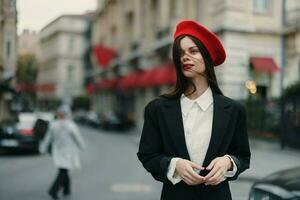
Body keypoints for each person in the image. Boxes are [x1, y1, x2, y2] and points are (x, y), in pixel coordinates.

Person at [137, 20, 251, 200]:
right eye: (180, 53)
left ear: (207, 56)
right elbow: (147, 155)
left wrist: (228, 162)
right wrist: (174, 165)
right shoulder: (157, 109)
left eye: (193, 51)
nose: (185, 57)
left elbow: (243, 156)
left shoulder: (234, 110)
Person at [39, 105, 85, 200]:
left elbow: (48, 138)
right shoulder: (70, 125)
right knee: (63, 170)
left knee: (64, 170)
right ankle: (53, 190)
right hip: (67, 152)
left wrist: (43, 148)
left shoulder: (54, 124)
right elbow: (77, 137)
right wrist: (82, 146)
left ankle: (67, 189)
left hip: (59, 152)